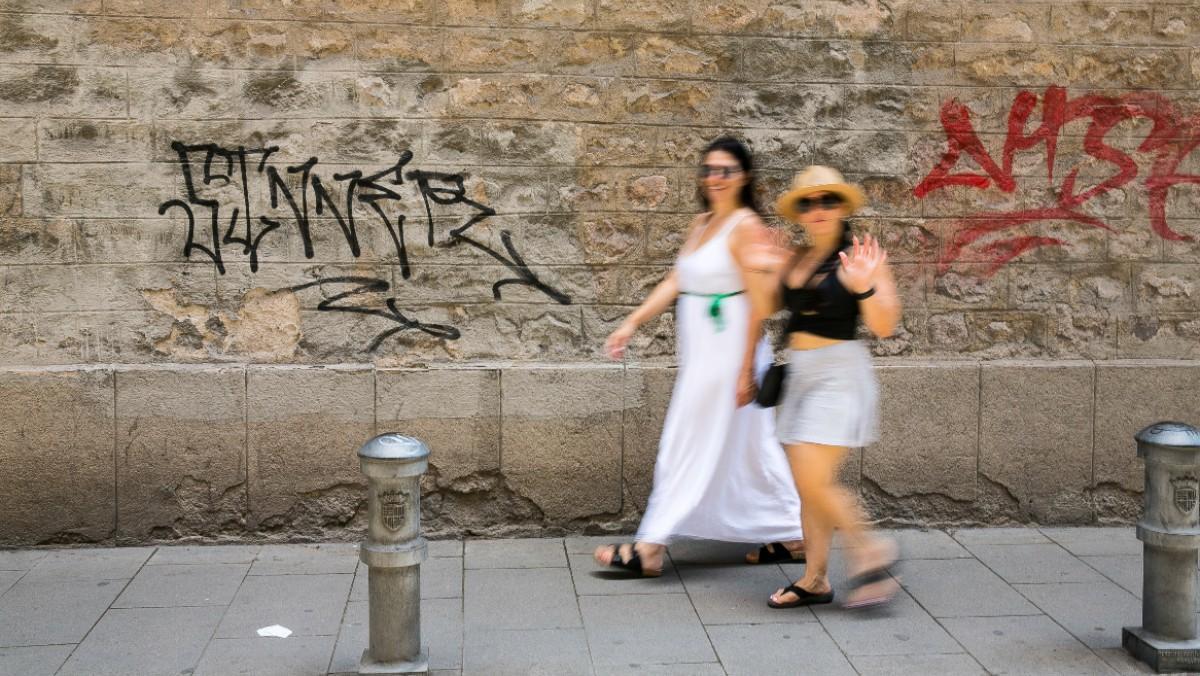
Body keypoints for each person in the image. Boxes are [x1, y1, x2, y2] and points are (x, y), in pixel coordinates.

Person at [593, 137, 805, 576]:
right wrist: (632, 322)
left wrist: (747, 369)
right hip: (704, 353)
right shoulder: (703, 222)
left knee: (683, 441)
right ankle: (791, 532)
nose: (714, 178)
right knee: (753, 445)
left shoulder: (745, 226)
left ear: (743, 176)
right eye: (708, 169)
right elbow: (676, 280)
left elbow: (758, 304)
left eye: (725, 170)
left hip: (728, 355)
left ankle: (651, 545)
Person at [749, 165, 902, 608]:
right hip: (800, 374)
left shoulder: (861, 255)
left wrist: (865, 288)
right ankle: (815, 579)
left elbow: (886, 325)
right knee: (808, 484)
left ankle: (870, 547)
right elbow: (764, 307)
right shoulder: (795, 258)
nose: (818, 209)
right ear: (798, 211)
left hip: (840, 376)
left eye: (827, 200)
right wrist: (761, 270)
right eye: (808, 202)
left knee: (813, 478)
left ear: (840, 207)